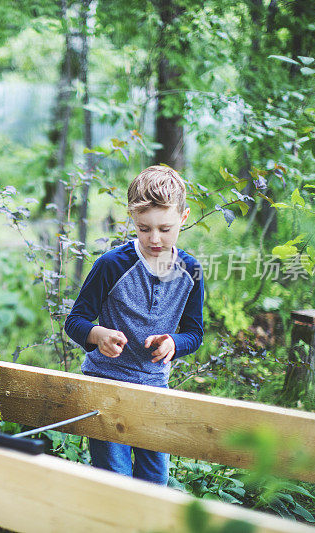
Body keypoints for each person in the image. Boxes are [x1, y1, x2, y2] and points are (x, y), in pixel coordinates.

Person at [64, 165, 204, 485]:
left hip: (155, 387)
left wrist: (173, 344)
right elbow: (75, 321)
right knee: (116, 480)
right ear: (132, 220)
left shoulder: (190, 271)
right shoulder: (112, 265)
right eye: (144, 229)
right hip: (106, 386)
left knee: (155, 480)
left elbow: (194, 333)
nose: (155, 238)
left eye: (165, 229)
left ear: (183, 218)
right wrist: (97, 334)